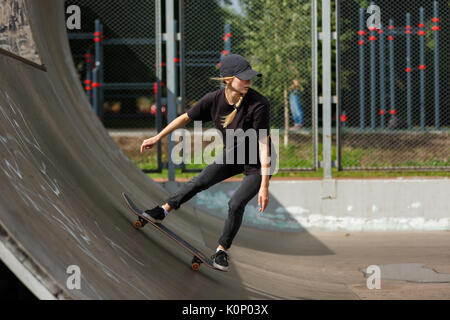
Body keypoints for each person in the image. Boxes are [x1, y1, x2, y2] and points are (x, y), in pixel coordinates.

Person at [139, 54, 275, 271]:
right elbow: (185, 118)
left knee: (236, 203)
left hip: (258, 163)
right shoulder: (214, 100)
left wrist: (264, 185)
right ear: (229, 79)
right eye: (244, 78)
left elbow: (263, 144)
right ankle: (163, 211)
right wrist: (157, 137)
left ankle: (222, 251)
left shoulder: (259, 104)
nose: (249, 82)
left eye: (251, 78)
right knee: (200, 180)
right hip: (234, 154)